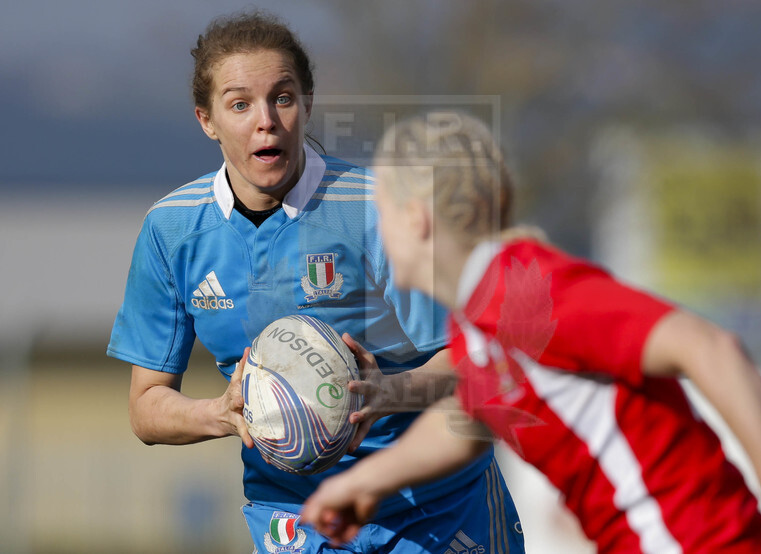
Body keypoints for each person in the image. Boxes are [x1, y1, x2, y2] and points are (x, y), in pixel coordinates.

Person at [106, 13, 526, 554]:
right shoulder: (172, 230)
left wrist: (389, 392)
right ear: (206, 120)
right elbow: (147, 406)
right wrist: (221, 412)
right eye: (239, 104)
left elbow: (477, 361)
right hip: (296, 513)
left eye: (282, 98)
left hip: (433, 506)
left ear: (307, 103)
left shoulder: (378, 209)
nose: (266, 121)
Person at [301, 113, 761, 553]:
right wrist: (365, 481)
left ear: (417, 220)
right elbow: (470, 421)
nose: (378, 231)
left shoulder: (534, 290)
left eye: (382, 215)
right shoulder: (480, 319)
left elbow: (711, 348)